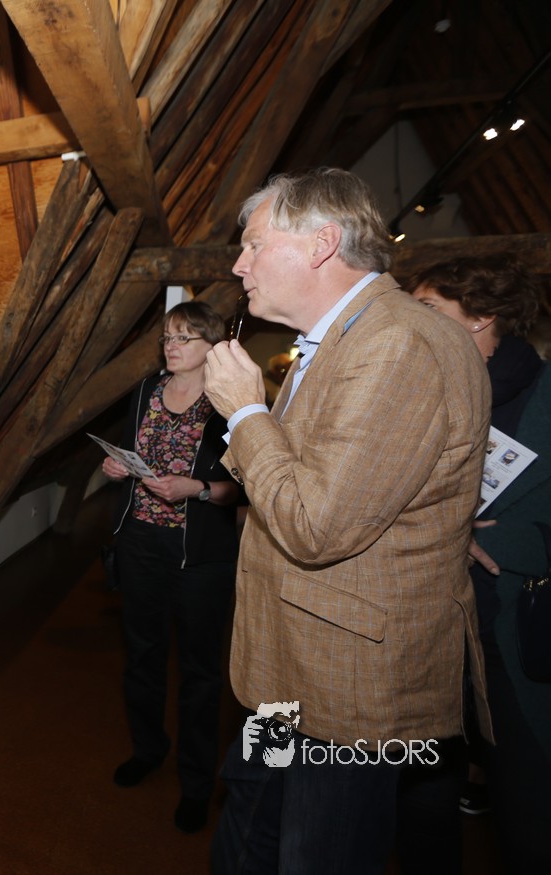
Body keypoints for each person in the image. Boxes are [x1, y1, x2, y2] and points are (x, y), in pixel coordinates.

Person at [201, 167, 491, 874]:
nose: (238, 265)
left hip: (346, 691)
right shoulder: (338, 338)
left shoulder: (399, 345)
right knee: (251, 824)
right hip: (284, 671)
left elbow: (315, 526)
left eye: (253, 245)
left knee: (318, 853)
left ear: (321, 244)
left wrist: (245, 410)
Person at [406, 256, 551, 874]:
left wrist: (512, 542)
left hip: (510, 633)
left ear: (481, 316)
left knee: (527, 815)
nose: (410, 322)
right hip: (428, 632)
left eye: (428, 309)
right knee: (420, 807)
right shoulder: (420, 391)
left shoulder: (543, 396)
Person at [101, 300, 240, 834]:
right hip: (139, 540)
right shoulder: (146, 391)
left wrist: (197, 489)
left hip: (199, 556)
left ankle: (197, 783)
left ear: (212, 345)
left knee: (200, 673)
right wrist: (114, 466)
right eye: (167, 336)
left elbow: (246, 487)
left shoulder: (230, 403)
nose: (172, 346)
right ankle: (147, 749)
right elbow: (128, 451)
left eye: (184, 337)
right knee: (142, 657)